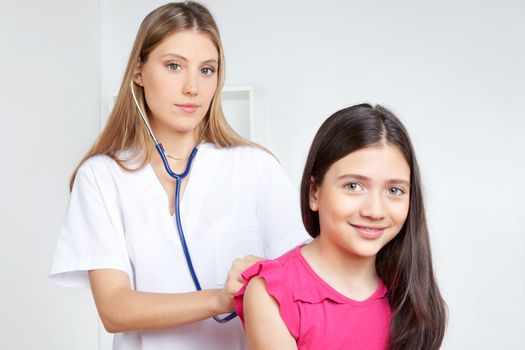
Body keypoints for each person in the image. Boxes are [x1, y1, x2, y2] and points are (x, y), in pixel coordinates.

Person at [49, 2, 308, 349]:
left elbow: (304, 285)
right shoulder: (101, 176)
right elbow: (114, 309)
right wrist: (221, 298)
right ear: (139, 71)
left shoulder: (256, 167)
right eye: (174, 66)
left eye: (206, 70)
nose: (193, 87)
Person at [234, 104, 447, 349]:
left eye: (394, 190)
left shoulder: (409, 292)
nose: (374, 211)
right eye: (353, 186)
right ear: (314, 192)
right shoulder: (273, 293)